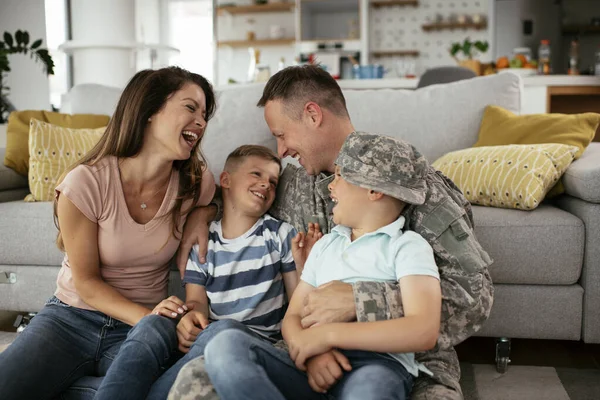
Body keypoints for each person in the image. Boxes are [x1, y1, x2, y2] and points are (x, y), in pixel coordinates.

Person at [173, 65, 494, 400]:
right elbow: (240, 200)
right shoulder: (293, 185)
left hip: (407, 359)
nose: (281, 151)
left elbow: (473, 298)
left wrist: (363, 301)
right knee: (199, 380)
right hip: (309, 349)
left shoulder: (406, 181)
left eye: (282, 135)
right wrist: (203, 212)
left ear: (312, 115)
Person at [0, 66, 217, 400]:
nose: (201, 122)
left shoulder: (195, 182)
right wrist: (152, 319)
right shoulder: (85, 182)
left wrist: (204, 213)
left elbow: (226, 199)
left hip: (139, 333)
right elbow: (86, 283)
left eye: (205, 114)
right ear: (149, 110)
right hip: (70, 319)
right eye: (190, 108)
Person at [203, 132, 443, 400]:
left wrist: (328, 336)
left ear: (373, 190)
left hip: (376, 365)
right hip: (311, 364)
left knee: (369, 392)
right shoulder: (327, 245)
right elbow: (292, 318)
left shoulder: (408, 246)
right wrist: (311, 352)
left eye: (339, 176)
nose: (330, 187)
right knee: (224, 344)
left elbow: (423, 330)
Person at [142, 145, 301, 399]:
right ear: (225, 180)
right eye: (257, 174)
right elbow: (196, 301)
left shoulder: (279, 235)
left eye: (273, 181)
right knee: (193, 374)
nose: (266, 185)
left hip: (265, 345)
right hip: (212, 342)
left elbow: (299, 302)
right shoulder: (204, 243)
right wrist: (190, 322)